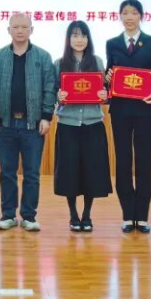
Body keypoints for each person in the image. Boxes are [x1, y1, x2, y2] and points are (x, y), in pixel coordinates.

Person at [0, 13, 56, 232]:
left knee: (32, 174)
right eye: (15, 27)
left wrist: (46, 116)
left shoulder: (43, 57)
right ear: (8, 30)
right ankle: (8, 215)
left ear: (31, 30)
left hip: (32, 125)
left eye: (24, 27)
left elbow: (50, 88)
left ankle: (28, 216)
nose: (19, 30)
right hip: (5, 125)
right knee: (7, 173)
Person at [104, 0, 151, 233]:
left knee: (143, 161)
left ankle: (143, 216)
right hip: (120, 111)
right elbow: (109, 74)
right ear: (120, 16)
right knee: (122, 161)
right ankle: (128, 215)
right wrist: (107, 78)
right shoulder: (112, 43)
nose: (129, 17)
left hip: (146, 110)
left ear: (141, 16)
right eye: (125, 13)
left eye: (134, 13)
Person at [54, 21, 112, 232]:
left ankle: (87, 215)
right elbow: (52, 94)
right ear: (68, 39)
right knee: (69, 171)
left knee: (91, 170)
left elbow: (104, 95)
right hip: (68, 124)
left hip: (93, 124)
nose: (79, 40)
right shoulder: (59, 63)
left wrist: (104, 95)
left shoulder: (97, 62)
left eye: (83, 35)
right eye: (75, 35)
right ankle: (73, 215)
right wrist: (58, 96)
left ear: (88, 39)